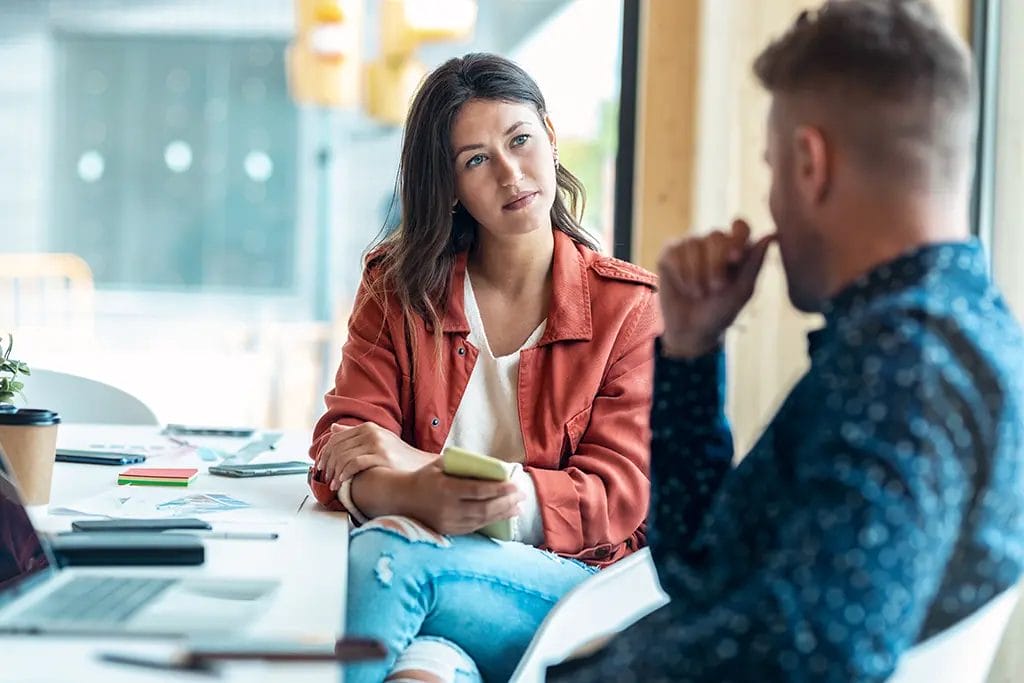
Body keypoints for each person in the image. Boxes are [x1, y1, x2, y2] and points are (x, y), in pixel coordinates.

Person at [548, 1, 1024, 681]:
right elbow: (701, 567)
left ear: (810, 162)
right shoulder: (930, 340)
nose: (769, 201)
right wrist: (690, 351)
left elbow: (817, 654)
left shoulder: (907, 372)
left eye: (772, 168)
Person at [307, 53, 660, 682]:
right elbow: (341, 450)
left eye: (520, 140)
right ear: (449, 185)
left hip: (576, 592)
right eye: (476, 159)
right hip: (445, 583)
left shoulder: (628, 308)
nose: (509, 173)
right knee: (420, 671)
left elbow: (617, 498)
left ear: (550, 138)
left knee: (389, 554)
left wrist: (428, 472)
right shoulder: (398, 289)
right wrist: (414, 494)